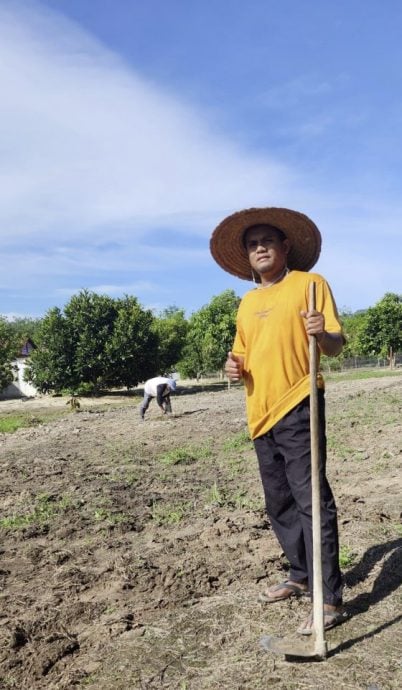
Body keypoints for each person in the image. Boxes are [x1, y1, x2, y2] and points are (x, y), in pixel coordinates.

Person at [210, 206, 347, 635]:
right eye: (253, 244)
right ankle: (301, 573)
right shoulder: (247, 303)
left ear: (285, 247)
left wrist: (321, 332)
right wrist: (233, 368)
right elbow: (242, 356)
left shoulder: (310, 286)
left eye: (267, 240)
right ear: (247, 256)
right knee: (279, 502)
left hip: (299, 402)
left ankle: (329, 597)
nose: (260, 248)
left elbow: (336, 346)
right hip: (260, 413)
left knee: (311, 501)